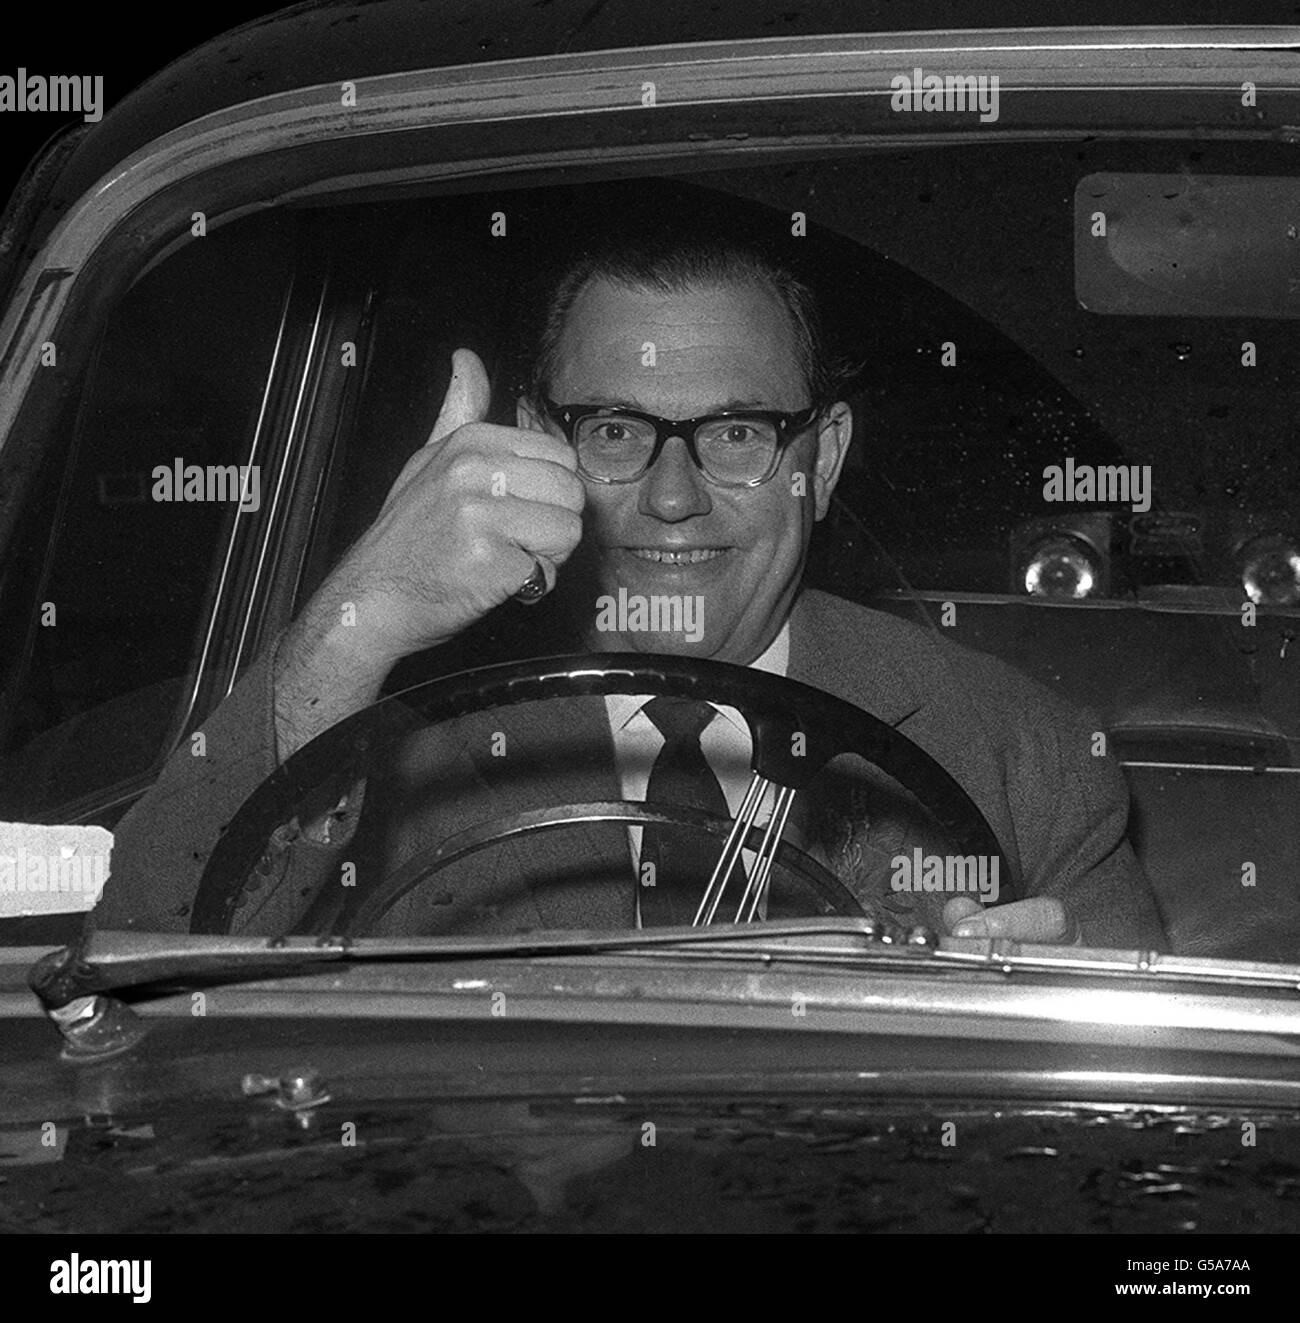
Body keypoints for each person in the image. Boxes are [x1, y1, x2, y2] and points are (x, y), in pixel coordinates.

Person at [95, 234, 1166, 948]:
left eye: (738, 433)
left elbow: (1149, 1153)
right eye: (615, 430)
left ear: (822, 460)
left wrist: (1045, 1024)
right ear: (528, 440)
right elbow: (139, 964)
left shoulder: (1018, 755)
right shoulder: (386, 717)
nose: (669, 500)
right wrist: (354, 623)